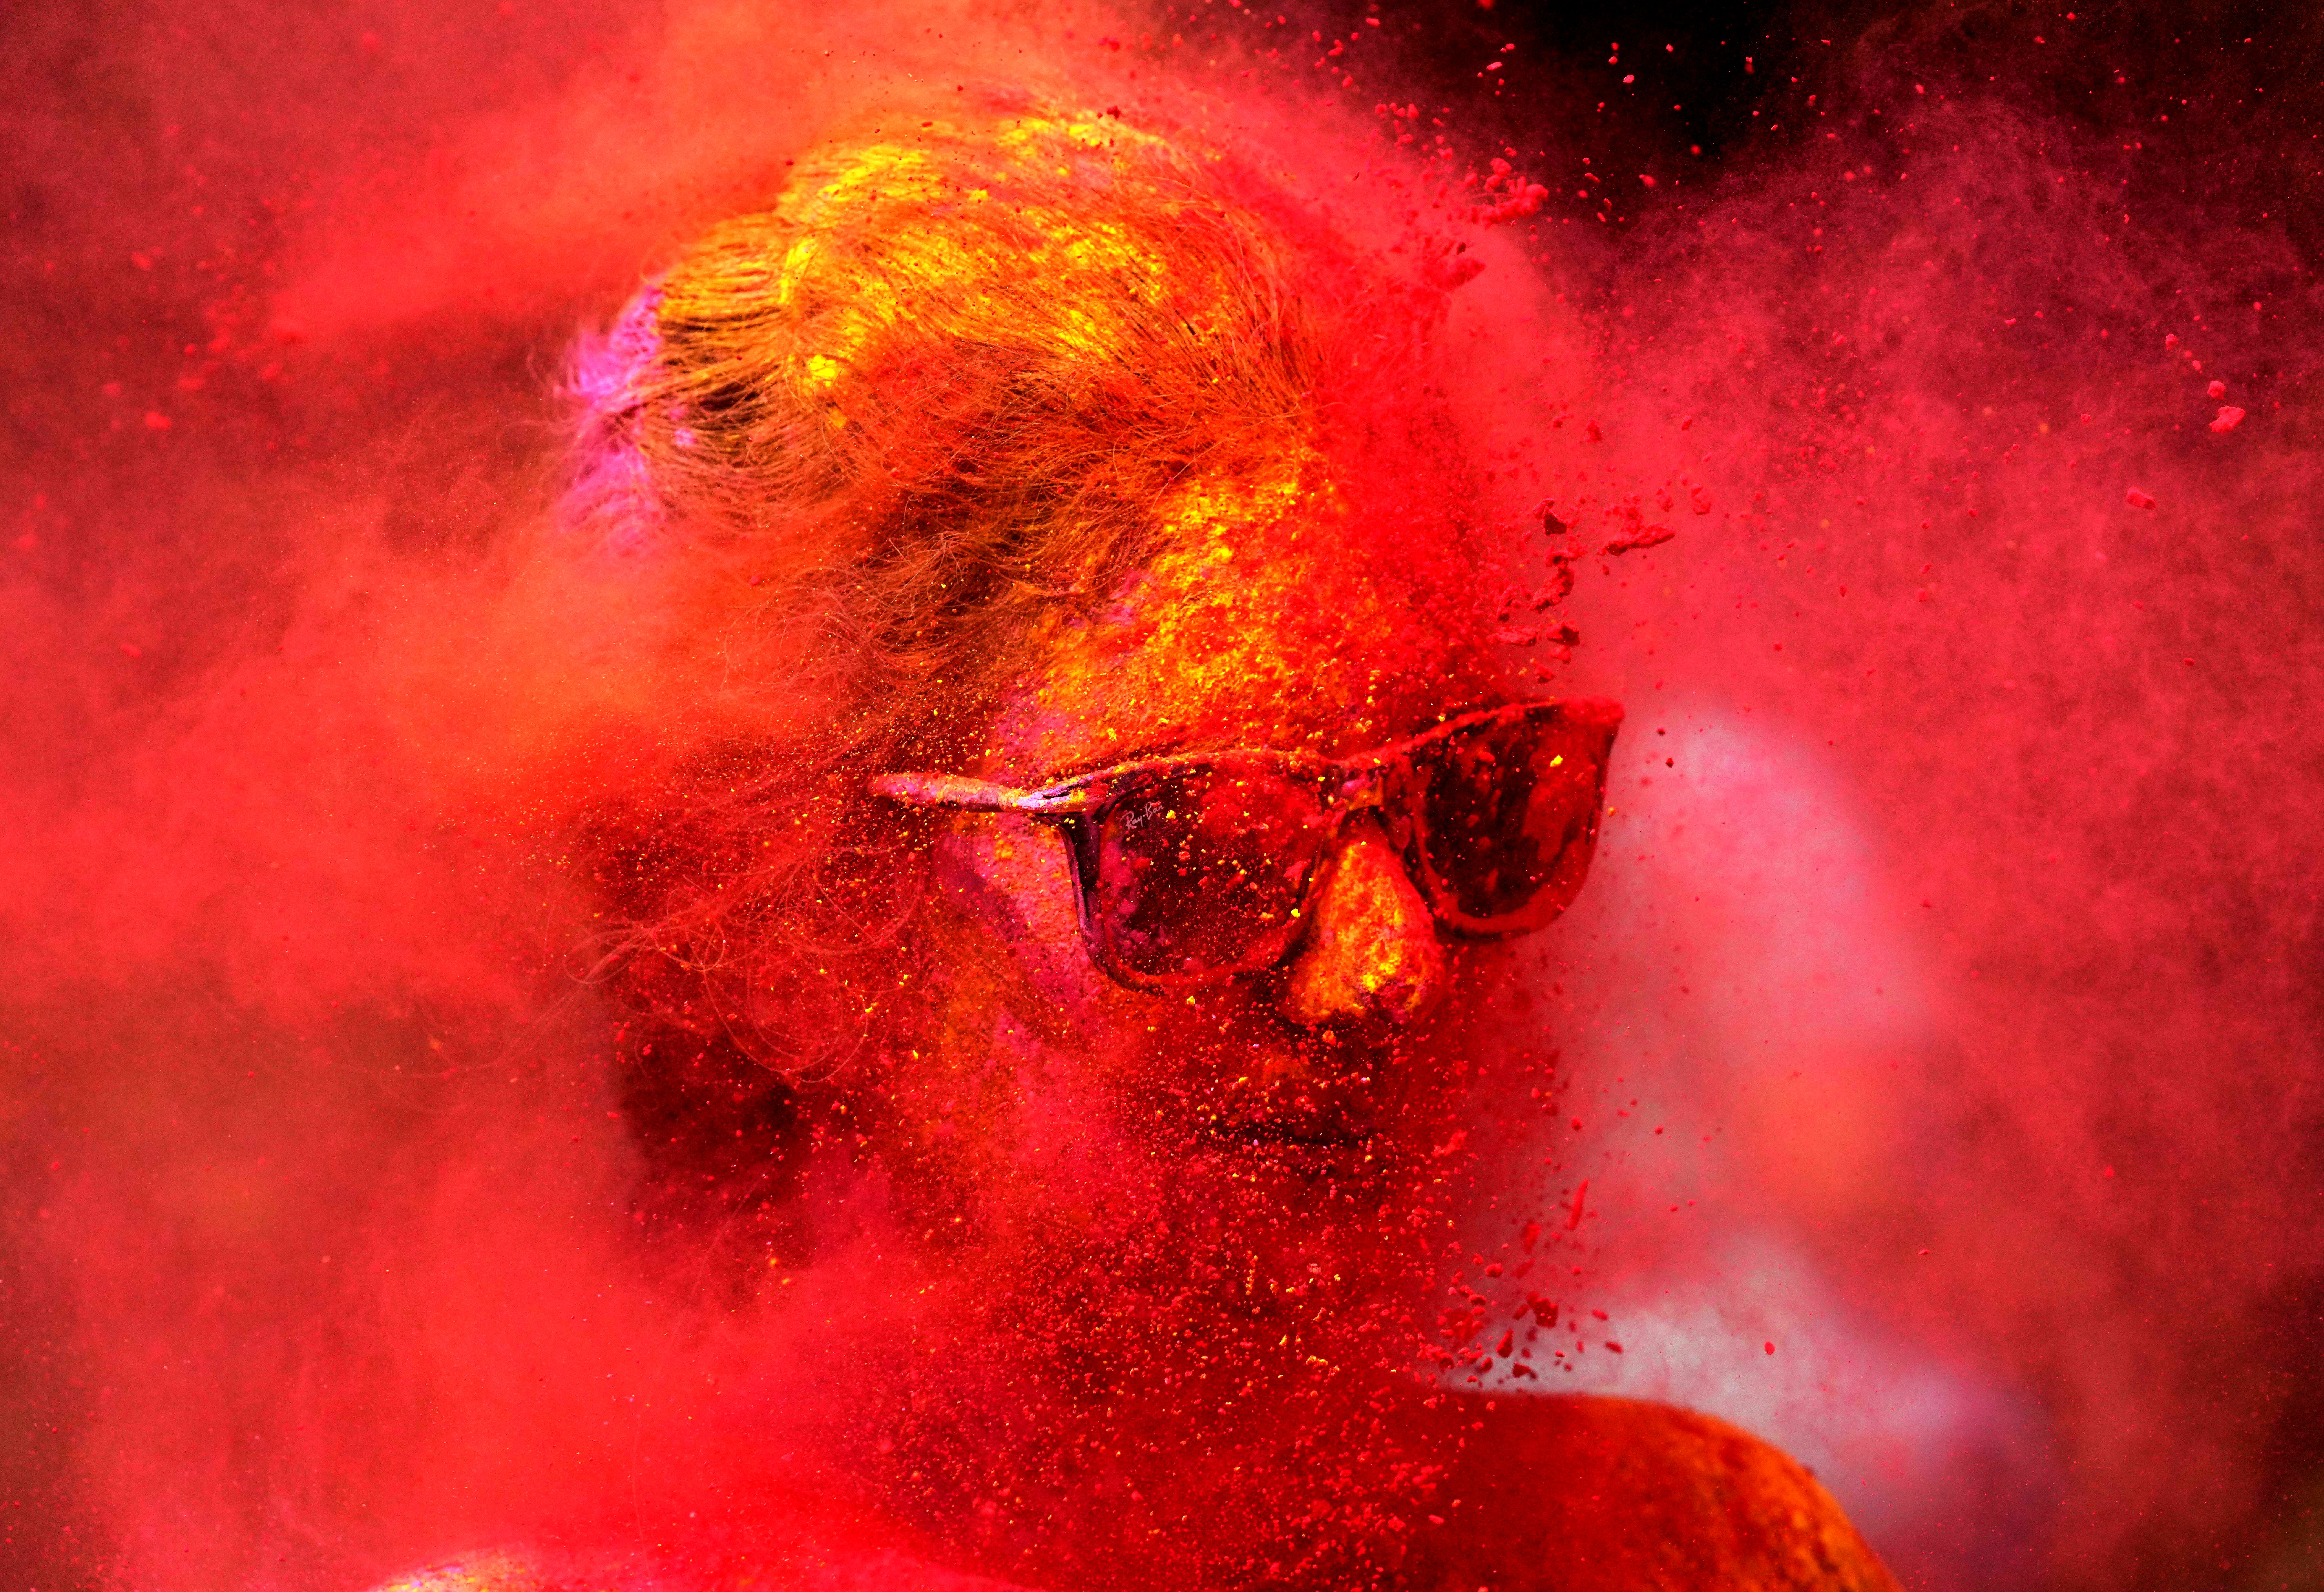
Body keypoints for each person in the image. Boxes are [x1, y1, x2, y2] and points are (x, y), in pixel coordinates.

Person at [378, 97, 1899, 1592]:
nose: (1393, 968)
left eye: (1468, 798)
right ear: (789, 927)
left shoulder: (1681, 1550)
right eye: (1201, 843)